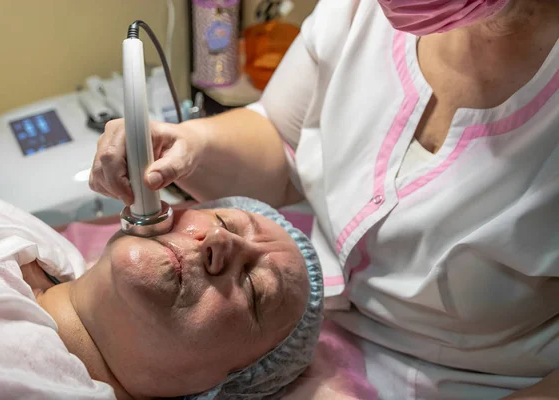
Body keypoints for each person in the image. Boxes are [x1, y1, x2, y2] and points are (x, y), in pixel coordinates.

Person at [90, 0, 559, 398]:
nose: (212, 239)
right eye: (231, 223)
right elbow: (281, 136)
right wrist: (193, 146)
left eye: (255, 289)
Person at [0, 183, 323, 399]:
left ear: (226, 382)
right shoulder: (45, 248)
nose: (220, 239)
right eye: (226, 222)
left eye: (256, 289)